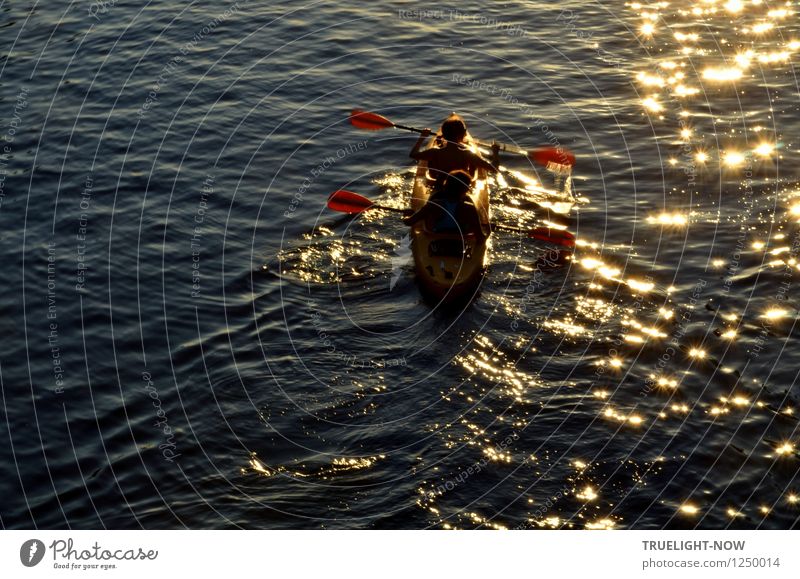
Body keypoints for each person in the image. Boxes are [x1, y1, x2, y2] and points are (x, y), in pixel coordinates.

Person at [409, 114, 499, 188]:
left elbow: (413, 154)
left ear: (443, 135)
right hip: (460, 190)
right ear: (463, 135)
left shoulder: (435, 152)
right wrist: (495, 152)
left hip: (440, 188)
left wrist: (422, 137)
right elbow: (494, 169)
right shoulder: (467, 154)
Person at [403, 170, 483, 238]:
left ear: (446, 185)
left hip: (436, 242)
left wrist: (406, 215)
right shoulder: (469, 208)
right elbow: (480, 237)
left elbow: (408, 222)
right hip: (461, 245)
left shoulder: (434, 205)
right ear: (465, 190)